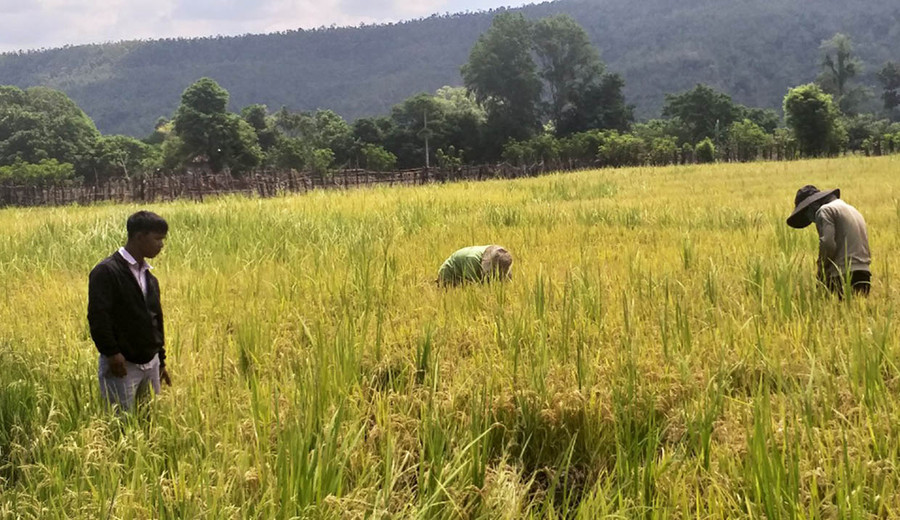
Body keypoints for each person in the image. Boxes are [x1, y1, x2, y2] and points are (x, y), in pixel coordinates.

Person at [88, 211, 171, 411]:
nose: (161, 245)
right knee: (121, 421)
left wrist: (160, 360)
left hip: (150, 362)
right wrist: (112, 353)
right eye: (157, 239)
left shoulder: (149, 277)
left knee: (148, 419)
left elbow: (156, 320)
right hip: (123, 365)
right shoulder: (107, 272)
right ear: (139, 237)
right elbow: (99, 316)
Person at [786, 185, 871, 298]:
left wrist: (821, 270)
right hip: (864, 274)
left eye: (807, 214)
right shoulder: (853, 210)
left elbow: (827, 244)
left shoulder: (825, 211)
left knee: (832, 307)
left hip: (841, 275)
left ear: (812, 206)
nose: (811, 220)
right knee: (857, 307)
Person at [437, 245, 513, 286]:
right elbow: (473, 286)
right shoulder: (472, 260)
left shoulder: (502, 256)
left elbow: (506, 281)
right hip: (450, 274)